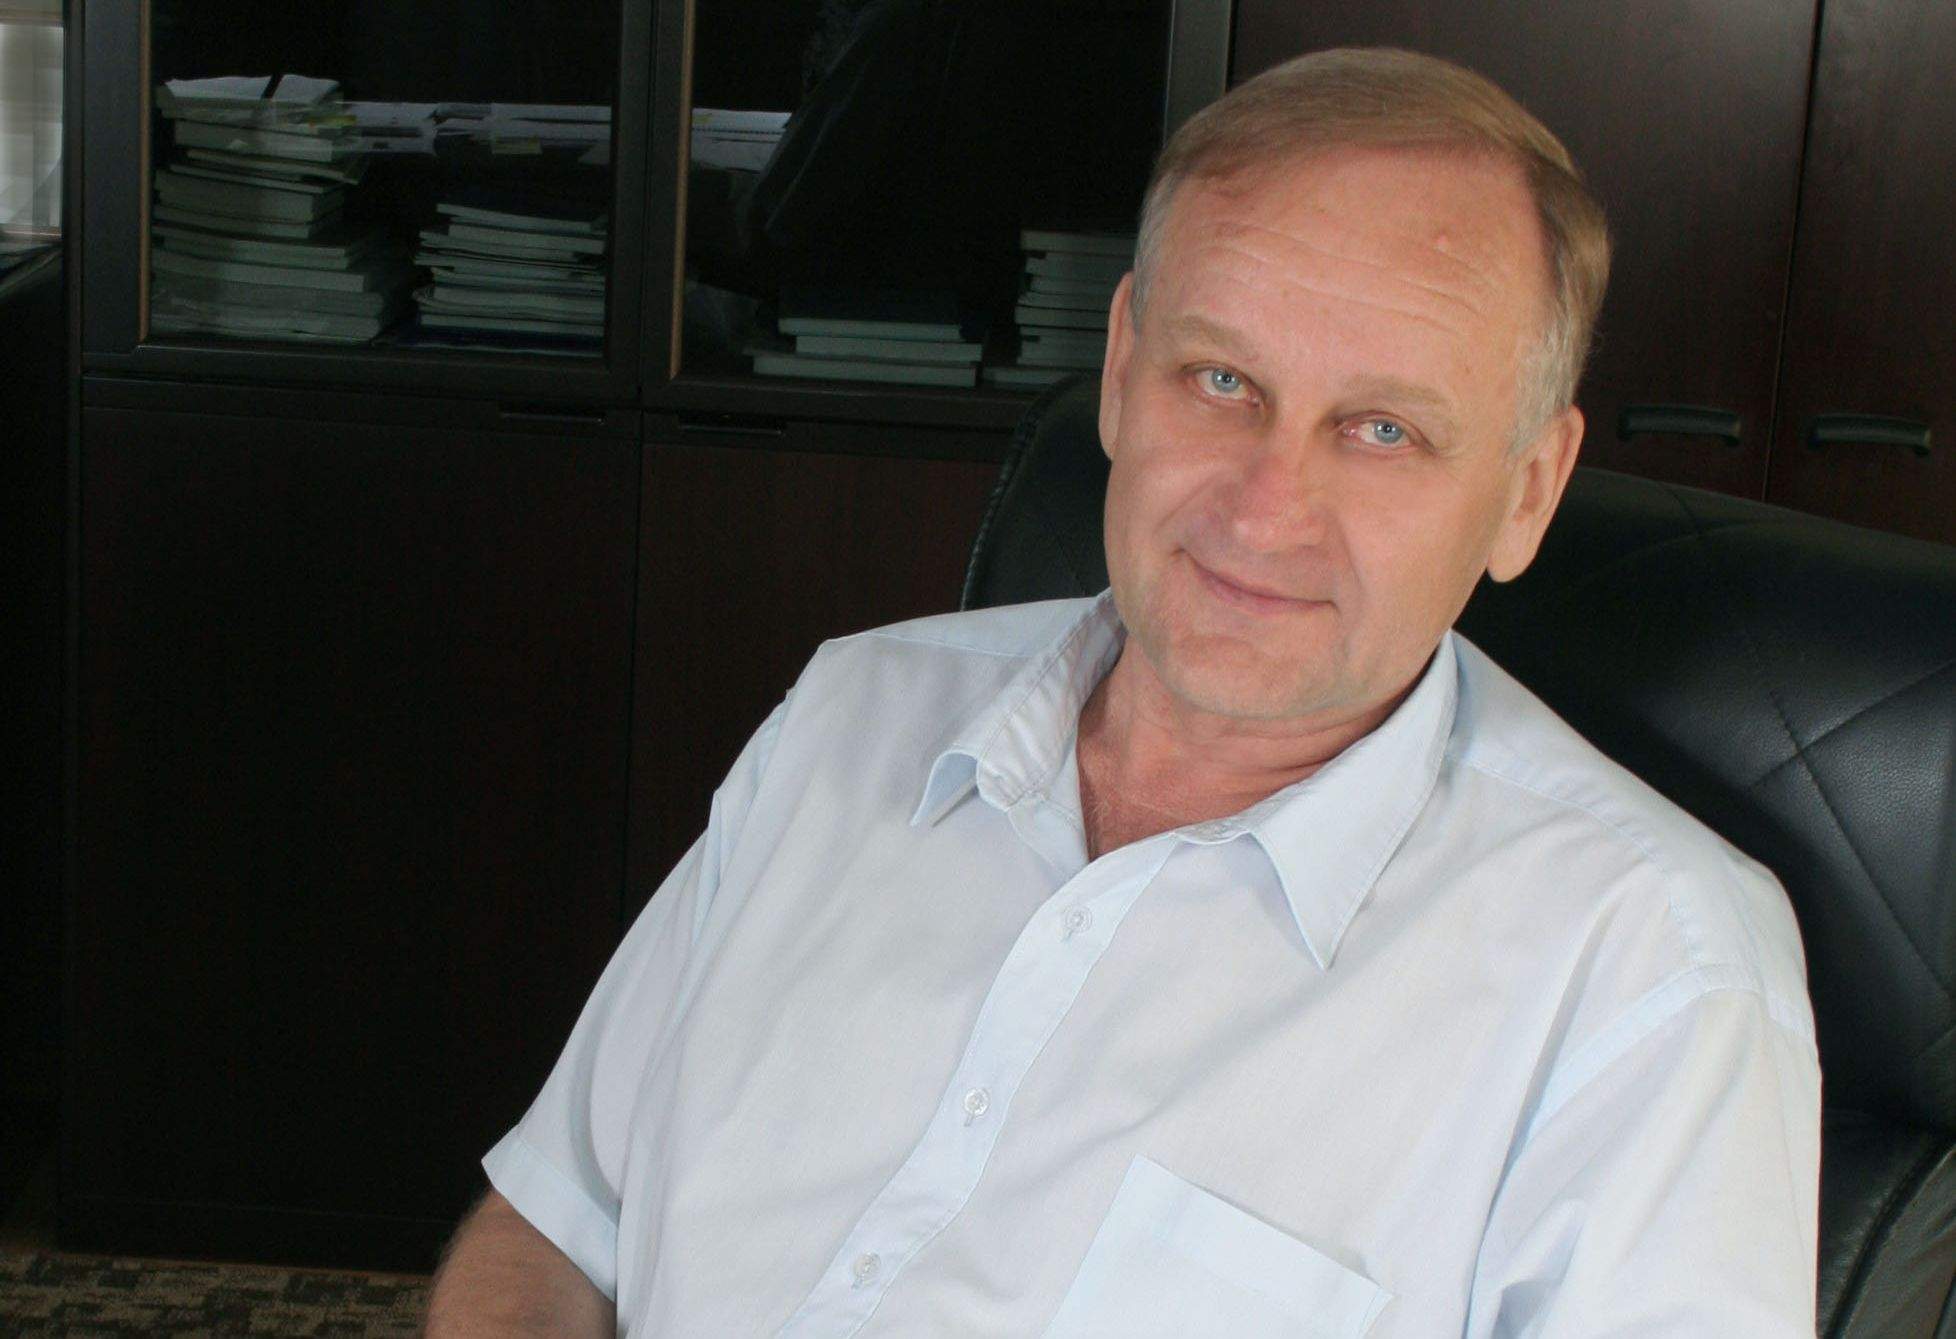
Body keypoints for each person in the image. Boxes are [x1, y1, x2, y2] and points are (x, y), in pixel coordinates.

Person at [425, 47, 1821, 1336]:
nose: (1264, 509)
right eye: (1219, 378)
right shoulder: (853, 715)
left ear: (1527, 491)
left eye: (1383, 429)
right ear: (1117, 373)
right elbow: (554, 1234)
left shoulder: (1651, 968)